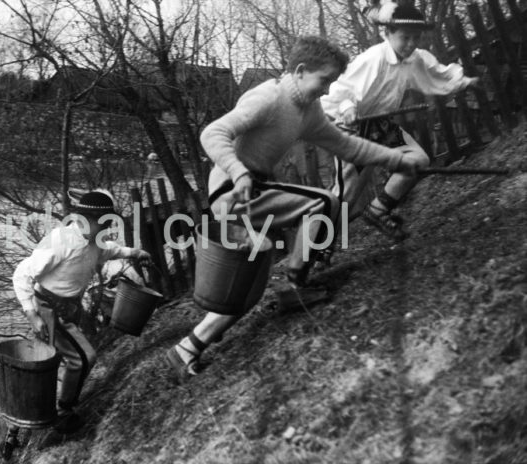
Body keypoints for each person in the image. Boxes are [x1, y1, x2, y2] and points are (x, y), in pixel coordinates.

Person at [165, 35, 427, 380]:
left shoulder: (308, 109)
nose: (327, 89)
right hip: (233, 193)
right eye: (325, 80)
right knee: (323, 203)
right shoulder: (269, 97)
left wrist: (395, 159)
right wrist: (239, 171)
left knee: (247, 290)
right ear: (301, 71)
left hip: (257, 192)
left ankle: (187, 349)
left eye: (333, 82)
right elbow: (213, 133)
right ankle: (294, 284)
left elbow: (346, 146)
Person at [320, 1, 479, 242]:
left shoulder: (415, 58)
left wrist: (462, 82)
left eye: (416, 38)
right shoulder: (372, 59)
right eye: (405, 37)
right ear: (388, 33)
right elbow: (339, 88)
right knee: (345, 194)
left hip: (382, 125)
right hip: (351, 128)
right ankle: (317, 248)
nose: (411, 44)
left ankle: (377, 211)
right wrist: (347, 107)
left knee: (416, 160)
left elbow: (437, 73)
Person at [12, 189, 151, 432]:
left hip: (69, 308)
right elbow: (22, 273)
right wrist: (31, 314)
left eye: (107, 224)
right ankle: (64, 410)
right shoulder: (60, 241)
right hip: (49, 309)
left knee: (50, 360)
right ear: (82, 219)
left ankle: (35, 418)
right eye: (101, 224)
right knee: (84, 358)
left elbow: (110, 250)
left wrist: (134, 253)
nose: (105, 230)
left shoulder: (95, 242)